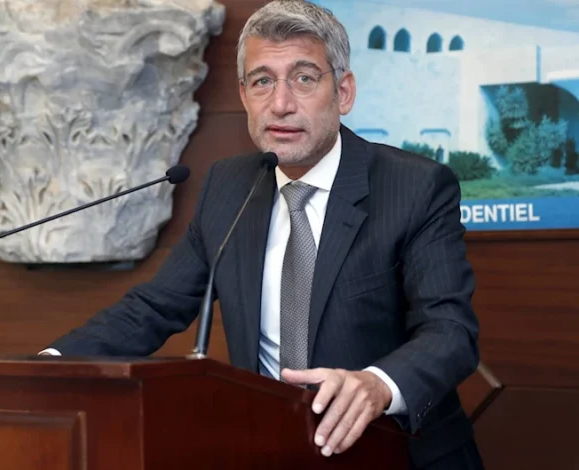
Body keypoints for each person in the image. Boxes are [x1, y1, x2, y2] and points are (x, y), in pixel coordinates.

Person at [41, 1, 483, 468]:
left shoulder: (414, 186)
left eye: (304, 78)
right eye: (262, 81)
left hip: (396, 454)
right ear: (244, 95)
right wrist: (48, 364)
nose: (281, 104)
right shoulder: (229, 186)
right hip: (272, 449)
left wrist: (377, 384)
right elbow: (155, 307)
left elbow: (450, 331)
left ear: (344, 92)